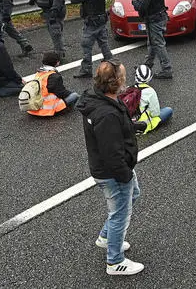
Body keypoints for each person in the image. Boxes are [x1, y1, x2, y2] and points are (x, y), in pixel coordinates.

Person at [77, 60, 144, 276]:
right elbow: (111, 151)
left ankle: (106, 238)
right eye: (123, 76)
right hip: (113, 172)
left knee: (133, 194)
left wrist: (132, 126)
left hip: (111, 168)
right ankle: (115, 262)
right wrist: (124, 174)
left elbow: (113, 133)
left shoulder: (100, 100)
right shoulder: (107, 114)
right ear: (116, 82)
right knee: (120, 213)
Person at [70, 0, 113, 78]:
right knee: (103, 43)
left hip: (92, 22)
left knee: (86, 46)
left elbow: (73, 0)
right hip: (102, 20)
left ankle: (86, 69)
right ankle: (112, 63)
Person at [131, 0, 172, 79]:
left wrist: (134, 1)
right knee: (152, 43)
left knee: (158, 44)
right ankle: (147, 65)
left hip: (153, 20)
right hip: (160, 17)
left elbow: (141, 6)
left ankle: (167, 69)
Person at [28, 51, 80, 116]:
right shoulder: (54, 76)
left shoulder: (39, 73)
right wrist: (70, 93)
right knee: (75, 95)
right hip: (47, 109)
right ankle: (64, 109)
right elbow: (60, 93)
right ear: (57, 63)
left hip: (34, 108)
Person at [132, 65, 173, 133]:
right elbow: (155, 113)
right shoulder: (150, 91)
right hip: (144, 124)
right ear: (149, 78)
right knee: (169, 110)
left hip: (130, 121)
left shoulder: (129, 89)